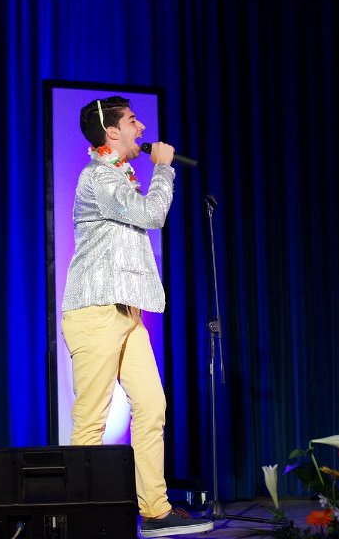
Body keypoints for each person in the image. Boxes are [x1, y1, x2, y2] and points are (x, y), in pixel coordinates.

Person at [61, 96, 213, 538]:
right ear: (111, 133)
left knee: (151, 405)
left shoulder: (118, 175)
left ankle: (155, 510)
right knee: (92, 417)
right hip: (95, 310)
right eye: (132, 121)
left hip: (128, 313)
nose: (142, 127)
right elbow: (151, 214)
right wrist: (164, 169)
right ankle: (82, 519)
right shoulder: (97, 176)